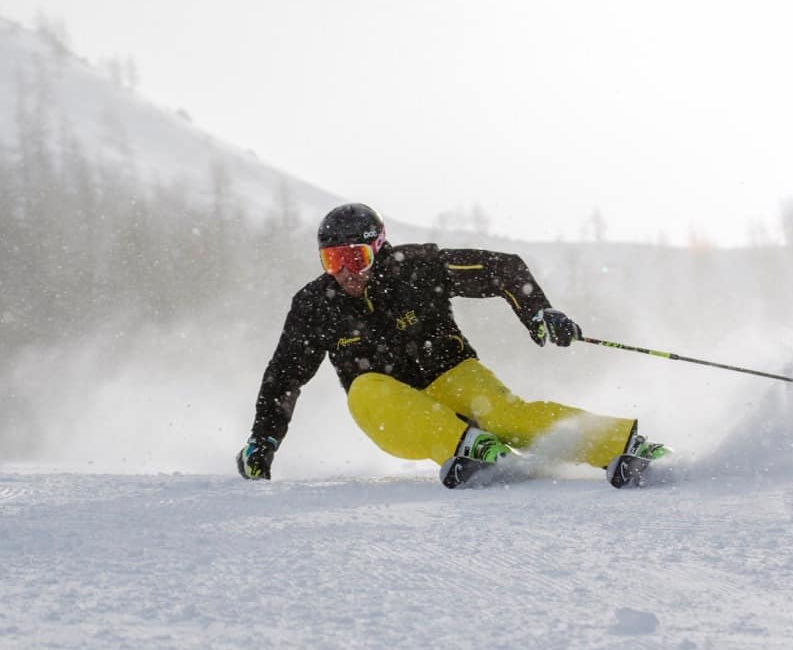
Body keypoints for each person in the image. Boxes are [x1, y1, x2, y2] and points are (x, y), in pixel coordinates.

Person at [237, 202, 668, 488]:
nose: (346, 272)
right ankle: (466, 446)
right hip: (392, 412)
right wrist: (264, 440)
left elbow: (503, 269)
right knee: (366, 386)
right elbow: (285, 375)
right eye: (333, 261)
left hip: (450, 373)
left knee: (505, 415)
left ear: (378, 249)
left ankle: (622, 445)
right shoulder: (315, 303)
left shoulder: (417, 268)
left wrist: (537, 312)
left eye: (356, 258)